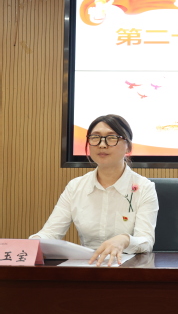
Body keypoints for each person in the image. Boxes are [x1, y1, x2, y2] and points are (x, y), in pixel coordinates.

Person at [30, 114, 159, 266]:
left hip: (128, 267)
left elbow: (146, 241)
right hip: (88, 267)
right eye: (95, 137)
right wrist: (32, 244)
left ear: (128, 146)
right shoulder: (75, 187)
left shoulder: (144, 188)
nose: (102, 145)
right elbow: (50, 233)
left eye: (112, 138)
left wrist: (124, 239)